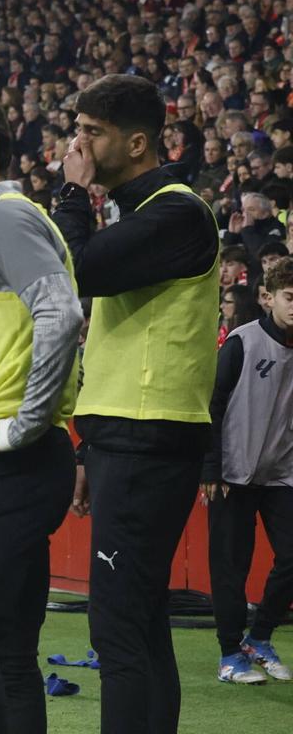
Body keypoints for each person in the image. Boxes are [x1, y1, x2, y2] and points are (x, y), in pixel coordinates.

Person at [54, 74, 219, 734]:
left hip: (151, 432)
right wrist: (89, 443)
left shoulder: (179, 212)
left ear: (140, 141)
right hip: (125, 431)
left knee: (117, 624)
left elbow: (75, 269)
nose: (79, 143)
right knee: (142, 620)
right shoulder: (142, 213)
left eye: (92, 132)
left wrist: (70, 193)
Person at [0, 84, 83, 734]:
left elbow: (62, 313)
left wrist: (22, 425)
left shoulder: (3, 216)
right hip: (19, 460)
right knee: (6, 652)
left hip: (14, 463)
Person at [203, 256, 293, 685]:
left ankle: (259, 637)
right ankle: (229, 653)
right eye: (290, 297)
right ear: (267, 297)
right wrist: (211, 467)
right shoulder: (242, 342)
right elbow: (213, 406)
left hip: (282, 474)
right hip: (232, 475)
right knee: (230, 567)